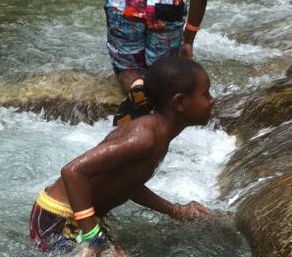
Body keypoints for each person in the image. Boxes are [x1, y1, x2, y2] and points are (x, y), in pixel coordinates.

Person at [29, 56, 214, 256]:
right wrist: (92, 236)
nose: (212, 100)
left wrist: (176, 211)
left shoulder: (158, 135)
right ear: (180, 102)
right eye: (206, 94)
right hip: (58, 217)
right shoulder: (144, 137)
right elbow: (73, 171)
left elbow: (127, 184)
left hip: (81, 217)